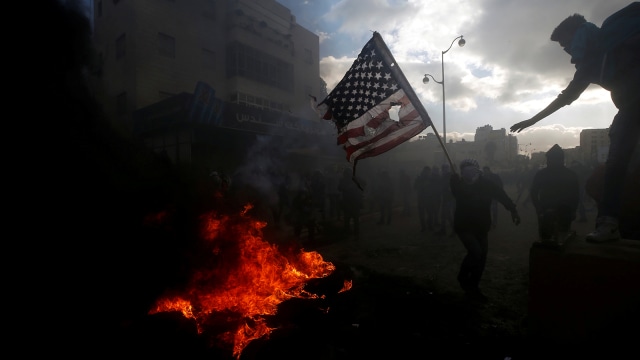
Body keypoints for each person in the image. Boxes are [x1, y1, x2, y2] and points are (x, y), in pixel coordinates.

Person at [510, 4, 640, 243]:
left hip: (633, 105)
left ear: (577, 33)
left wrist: (531, 120)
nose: (567, 50)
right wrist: (531, 120)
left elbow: (564, 99)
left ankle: (609, 222)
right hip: (631, 108)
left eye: (564, 44)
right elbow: (565, 98)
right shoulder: (592, 61)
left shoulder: (610, 44)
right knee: (619, 160)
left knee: (616, 161)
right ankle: (611, 221)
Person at [450, 159, 521, 301]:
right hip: (464, 226)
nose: (469, 172)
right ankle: (463, 277)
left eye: (472, 169)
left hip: (482, 226)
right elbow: (459, 193)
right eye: (466, 170)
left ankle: (474, 287)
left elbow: (501, 195)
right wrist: (454, 180)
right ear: (462, 172)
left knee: (482, 259)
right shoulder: (458, 184)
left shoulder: (486, 184)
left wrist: (513, 209)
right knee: (476, 252)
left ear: (477, 170)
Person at [529, 145, 580, 245]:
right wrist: (538, 208)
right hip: (551, 211)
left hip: (558, 211)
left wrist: (538, 208)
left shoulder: (542, 174)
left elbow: (575, 194)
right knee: (553, 241)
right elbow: (576, 195)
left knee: (555, 241)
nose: (549, 161)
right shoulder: (570, 174)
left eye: (551, 159)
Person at [338, 168, 365, 241]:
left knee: (352, 218)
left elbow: (363, 184)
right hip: (349, 201)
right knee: (350, 218)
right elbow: (339, 188)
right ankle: (351, 232)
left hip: (353, 201)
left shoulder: (354, 179)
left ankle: (353, 233)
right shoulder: (344, 180)